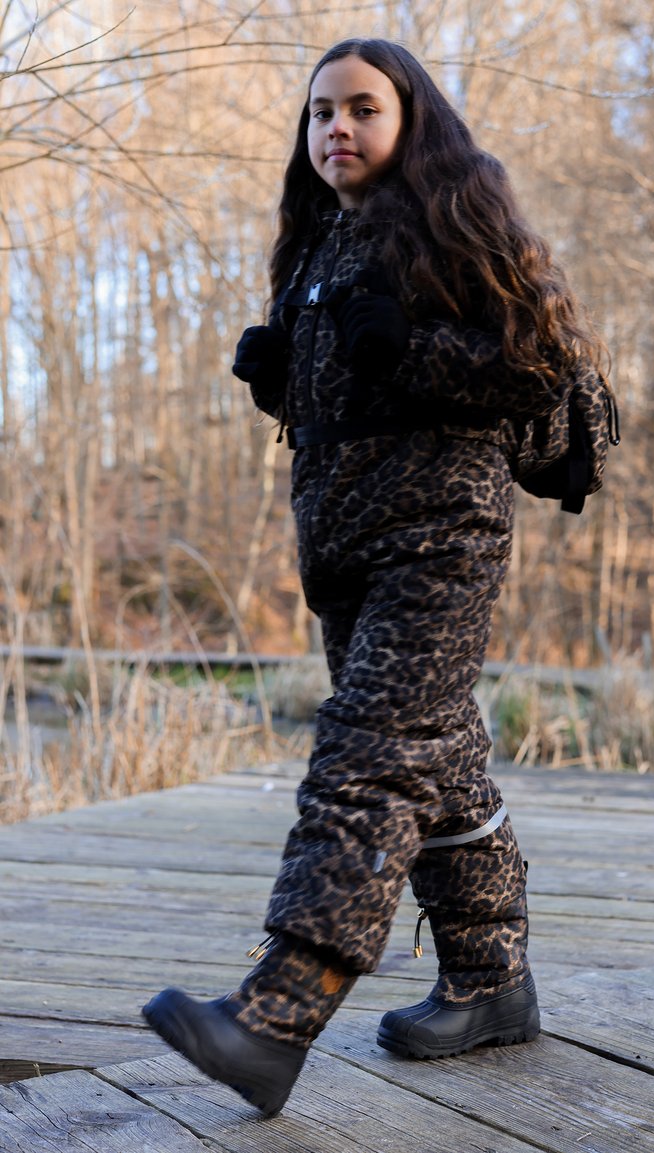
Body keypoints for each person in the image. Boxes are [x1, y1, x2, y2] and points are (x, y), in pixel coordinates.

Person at [143, 37, 606, 1118]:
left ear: (411, 122)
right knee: (436, 763)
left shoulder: (457, 222)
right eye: (320, 112)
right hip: (343, 547)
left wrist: (409, 347)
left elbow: (536, 368)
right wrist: (280, 382)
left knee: (366, 762)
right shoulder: (318, 242)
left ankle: (277, 1015)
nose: (336, 127)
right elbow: (356, 387)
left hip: (439, 539)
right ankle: (490, 982)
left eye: (362, 107)